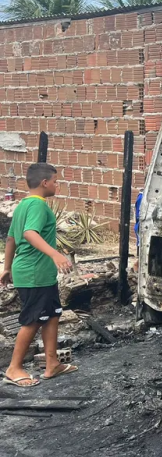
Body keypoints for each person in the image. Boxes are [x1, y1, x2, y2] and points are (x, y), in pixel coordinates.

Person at [0, 163, 75, 387]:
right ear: (44, 183)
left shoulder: (23, 205)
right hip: (34, 272)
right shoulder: (38, 207)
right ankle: (14, 368)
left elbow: (12, 238)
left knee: (52, 314)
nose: (57, 184)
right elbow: (29, 233)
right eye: (55, 181)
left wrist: (6, 267)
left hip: (38, 272)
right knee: (32, 320)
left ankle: (52, 363)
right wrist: (56, 254)